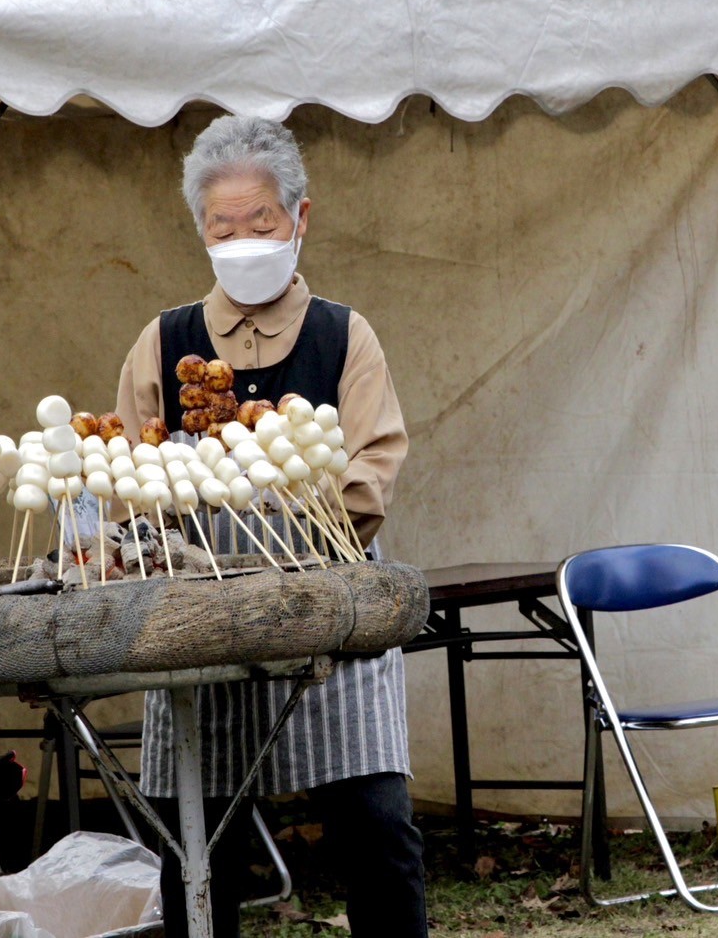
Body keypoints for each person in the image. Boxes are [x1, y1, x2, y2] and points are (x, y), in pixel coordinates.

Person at [113, 115, 425, 937]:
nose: (244, 239)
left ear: (299, 220)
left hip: (327, 597)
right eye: (225, 227)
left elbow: (370, 465)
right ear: (200, 233)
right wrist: (150, 545)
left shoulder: (342, 334)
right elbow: (127, 485)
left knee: (376, 822)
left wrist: (312, 534)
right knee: (196, 842)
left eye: (262, 223)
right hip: (201, 607)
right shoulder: (164, 341)